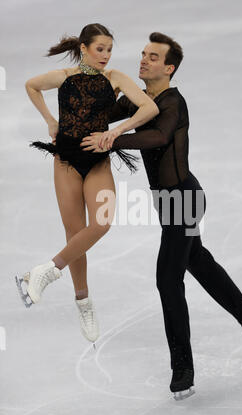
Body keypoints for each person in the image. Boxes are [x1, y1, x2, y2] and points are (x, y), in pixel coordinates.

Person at [80, 32, 242, 400]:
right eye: (142, 54)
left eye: (153, 57)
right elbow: (105, 113)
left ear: (169, 68)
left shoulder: (174, 102)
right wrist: (76, 103)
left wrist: (111, 139)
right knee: (200, 263)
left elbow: (158, 137)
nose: (143, 60)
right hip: (169, 203)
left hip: (185, 199)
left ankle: (183, 370)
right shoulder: (139, 100)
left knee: (167, 279)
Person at [15, 23, 159, 348]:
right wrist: (50, 121)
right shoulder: (63, 77)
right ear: (84, 48)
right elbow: (31, 85)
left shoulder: (115, 79)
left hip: (98, 160)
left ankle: (47, 270)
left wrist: (116, 132)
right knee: (75, 233)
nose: (106, 55)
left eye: (109, 49)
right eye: (100, 49)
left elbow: (149, 108)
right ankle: (84, 302)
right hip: (65, 160)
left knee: (102, 223)